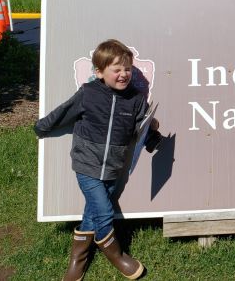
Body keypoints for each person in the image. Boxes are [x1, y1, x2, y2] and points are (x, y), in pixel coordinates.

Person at [35, 39, 162, 280]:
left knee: (92, 213)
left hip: (114, 166)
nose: (123, 74)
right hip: (87, 165)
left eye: (127, 69)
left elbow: (142, 128)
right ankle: (116, 256)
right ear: (99, 72)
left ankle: (77, 260)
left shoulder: (135, 100)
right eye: (117, 69)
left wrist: (154, 138)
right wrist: (43, 127)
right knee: (103, 211)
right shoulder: (88, 93)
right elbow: (64, 111)